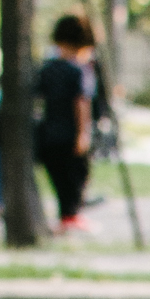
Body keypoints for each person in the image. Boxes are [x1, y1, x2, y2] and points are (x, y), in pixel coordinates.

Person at [34, 13, 96, 231]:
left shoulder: (47, 69)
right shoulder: (80, 70)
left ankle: (66, 216)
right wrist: (83, 133)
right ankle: (71, 215)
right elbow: (81, 102)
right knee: (77, 174)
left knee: (59, 176)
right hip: (70, 133)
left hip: (49, 133)